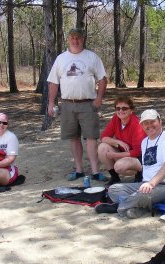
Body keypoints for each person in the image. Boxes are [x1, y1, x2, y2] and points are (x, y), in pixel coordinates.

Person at [95, 109, 165, 219]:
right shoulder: (144, 142)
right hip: (146, 185)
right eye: (146, 123)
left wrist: (151, 184)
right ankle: (137, 208)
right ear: (141, 126)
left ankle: (119, 207)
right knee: (114, 189)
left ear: (160, 122)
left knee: (142, 195)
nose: (149, 125)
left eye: (153, 122)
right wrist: (146, 184)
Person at [47, 27, 108, 182]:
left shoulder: (92, 57)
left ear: (83, 39)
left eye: (78, 38)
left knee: (91, 138)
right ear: (68, 39)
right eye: (72, 38)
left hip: (88, 104)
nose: (75, 41)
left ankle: (95, 171)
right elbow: (54, 82)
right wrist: (51, 103)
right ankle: (79, 170)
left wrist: (99, 98)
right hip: (67, 104)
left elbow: (102, 79)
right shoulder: (61, 59)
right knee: (73, 138)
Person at [98, 96, 146, 187]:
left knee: (119, 167)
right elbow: (104, 137)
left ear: (131, 110)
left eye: (124, 108)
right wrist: (119, 142)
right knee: (102, 147)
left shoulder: (136, 124)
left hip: (139, 158)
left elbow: (137, 152)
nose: (121, 111)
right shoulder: (116, 118)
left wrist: (115, 155)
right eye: (118, 108)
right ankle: (115, 178)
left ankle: (140, 173)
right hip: (125, 153)